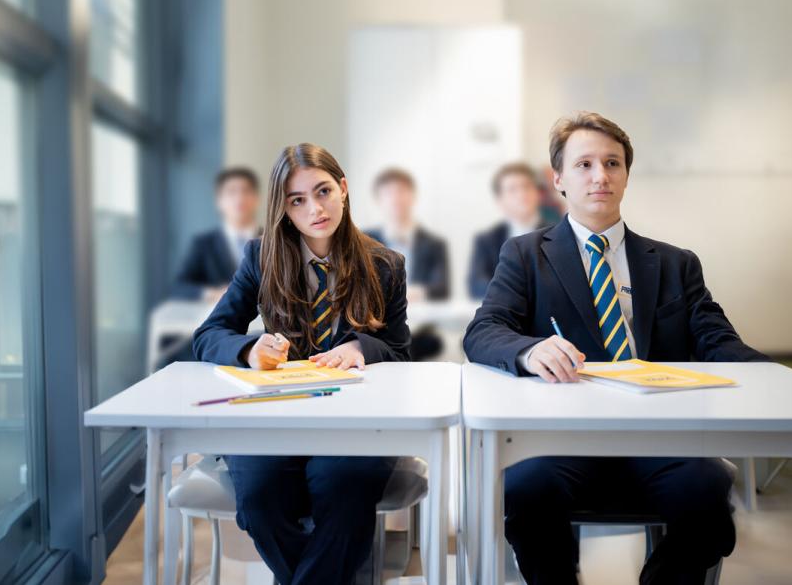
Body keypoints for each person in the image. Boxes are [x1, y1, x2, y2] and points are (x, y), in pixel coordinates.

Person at [463, 112, 767, 585]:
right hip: (562, 441)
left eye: (612, 163)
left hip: (660, 440)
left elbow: (717, 340)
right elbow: (484, 331)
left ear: (626, 175)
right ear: (557, 178)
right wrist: (528, 350)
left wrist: (780, 377)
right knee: (525, 490)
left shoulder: (674, 263)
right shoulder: (524, 255)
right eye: (583, 164)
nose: (600, 176)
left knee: (709, 493)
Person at [193, 143, 410, 585]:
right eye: (297, 200)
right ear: (283, 209)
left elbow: (401, 350)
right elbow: (208, 335)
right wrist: (250, 350)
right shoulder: (261, 256)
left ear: (344, 190)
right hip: (276, 415)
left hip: (356, 420)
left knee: (345, 486)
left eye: (324, 191)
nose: (315, 208)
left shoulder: (385, 265)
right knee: (258, 497)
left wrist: (361, 348)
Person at [365, 168, 449, 359]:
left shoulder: (435, 243)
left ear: (413, 196)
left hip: (422, 328)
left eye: (402, 191)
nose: (396, 198)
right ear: (378, 200)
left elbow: (442, 288)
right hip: (377, 327)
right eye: (389, 193)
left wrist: (417, 292)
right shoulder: (364, 242)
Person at [172, 167, 262, 303]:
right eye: (231, 192)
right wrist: (211, 294)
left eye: (246, 191)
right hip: (218, 318)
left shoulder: (276, 240)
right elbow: (179, 286)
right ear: (219, 201)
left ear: (257, 198)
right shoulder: (203, 244)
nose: (240, 198)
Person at [467, 162, 556, 299]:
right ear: (499, 200)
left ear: (537, 194)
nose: (521, 194)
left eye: (526, 186)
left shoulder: (558, 234)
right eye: (512, 189)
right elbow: (476, 286)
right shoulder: (486, 240)